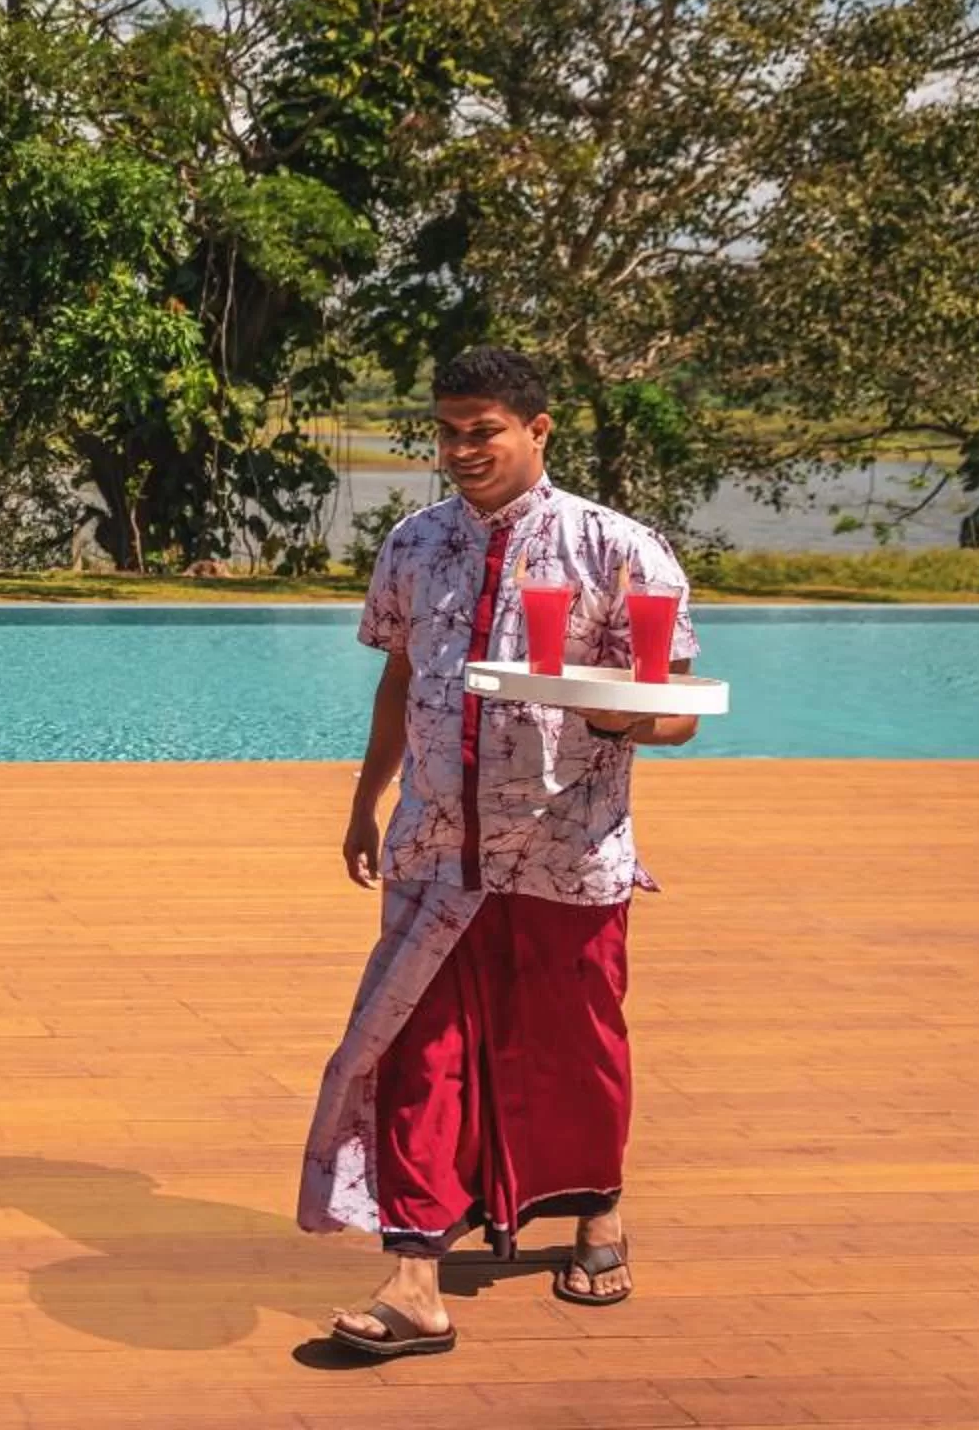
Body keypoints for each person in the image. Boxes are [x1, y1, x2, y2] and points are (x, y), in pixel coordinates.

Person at [298, 346, 700, 1359]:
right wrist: (365, 796)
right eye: (448, 429)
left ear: (538, 429)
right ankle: (414, 1274)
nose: (463, 447)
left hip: (568, 850)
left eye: (484, 428)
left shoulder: (618, 550)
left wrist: (607, 713)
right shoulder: (414, 544)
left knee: (579, 1045)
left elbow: (675, 714)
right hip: (439, 846)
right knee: (417, 1050)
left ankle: (597, 1212)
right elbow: (397, 681)